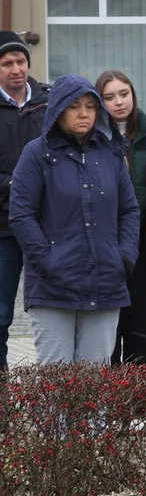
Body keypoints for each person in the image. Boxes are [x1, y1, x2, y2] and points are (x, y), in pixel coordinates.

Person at [10, 75, 139, 364]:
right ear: (58, 110)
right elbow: (21, 214)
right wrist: (47, 260)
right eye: (74, 106)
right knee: (56, 379)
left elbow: (129, 210)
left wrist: (125, 256)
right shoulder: (37, 153)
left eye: (90, 107)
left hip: (106, 281)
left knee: (95, 380)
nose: (84, 114)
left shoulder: (110, 153)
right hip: (52, 287)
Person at [96, 70, 146, 365]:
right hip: (105, 244)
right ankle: (109, 405)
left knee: (144, 323)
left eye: (124, 94)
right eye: (109, 97)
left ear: (133, 94)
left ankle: (142, 403)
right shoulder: (94, 138)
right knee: (109, 326)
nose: (119, 102)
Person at [0, 31, 49, 370]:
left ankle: (63, 387)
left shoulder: (50, 101)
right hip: (2, 228)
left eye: (20, 61)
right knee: (0, 312)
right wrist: (16, 183)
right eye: (6, 63)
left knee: (52, 309)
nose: (15, 69)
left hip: (48, 224)